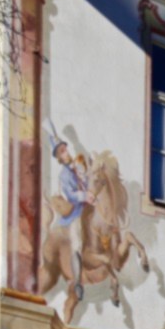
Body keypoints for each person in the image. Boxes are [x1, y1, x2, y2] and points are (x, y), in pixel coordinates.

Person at [47, 123, 94, 300]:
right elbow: (70, 195)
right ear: (59, 158)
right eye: (62, 152)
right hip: (75, 212)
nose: (66, 153)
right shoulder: (64, 175)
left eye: (65, 150)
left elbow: (88, 181)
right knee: (77, 243)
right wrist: (85, 196)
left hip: (89, 205)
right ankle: (77, 282)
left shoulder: (77, 166)